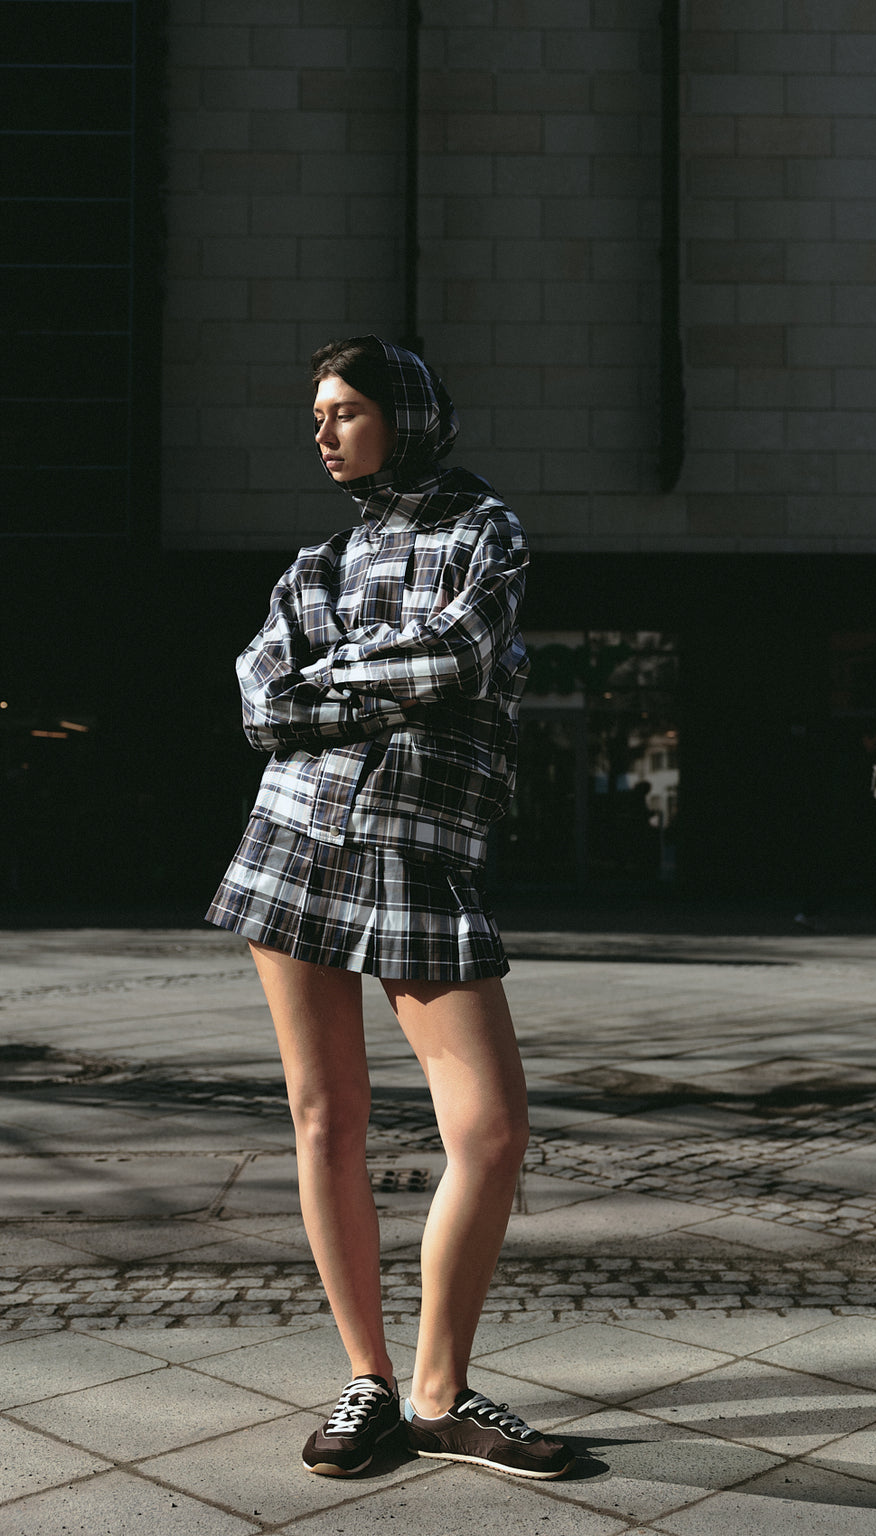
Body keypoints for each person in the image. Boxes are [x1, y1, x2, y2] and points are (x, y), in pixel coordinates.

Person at [206, 336, 573, 1481]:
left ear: (405, 416)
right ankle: (368, 1380)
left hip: (420, 852)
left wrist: (331, 687)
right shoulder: (314, 563)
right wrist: (364, 689)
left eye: (346, 409)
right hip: (293, 845)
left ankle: (438, 1391)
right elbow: (260, 697)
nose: (322, 431)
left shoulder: (483, 531)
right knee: (327, 1119)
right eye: (316, 411)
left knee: (491, 1129)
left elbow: (460, 652)